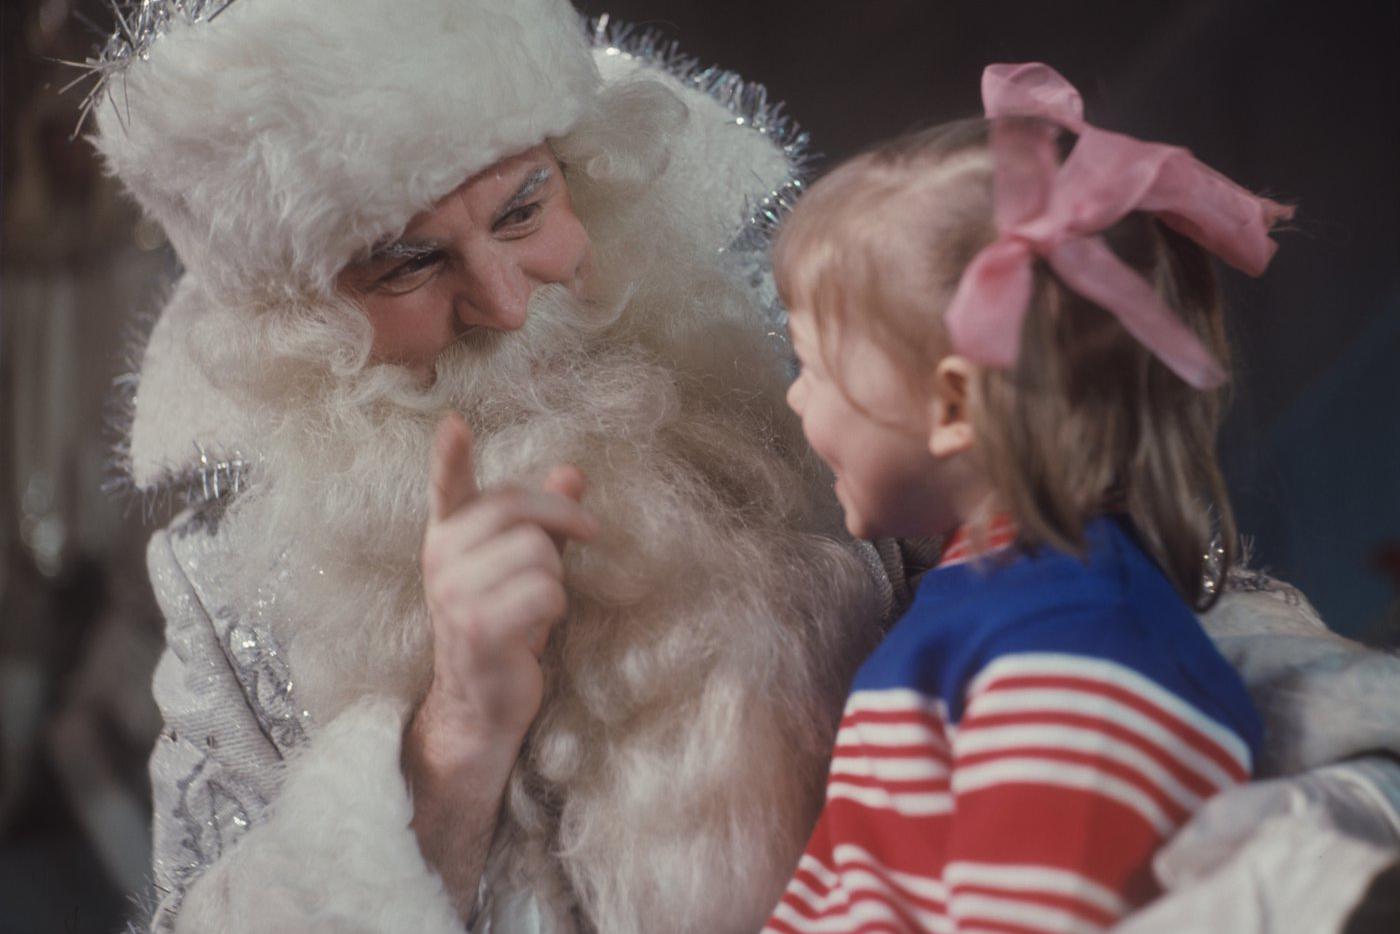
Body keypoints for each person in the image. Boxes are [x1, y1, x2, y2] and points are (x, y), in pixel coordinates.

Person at [85, 3, 1400, 933]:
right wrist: (453, 742)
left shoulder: (783, 367)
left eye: (527, 208)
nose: (505, 297)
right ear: (300, 317)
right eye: (409, 263)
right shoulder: (229, 584)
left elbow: (1148, 630)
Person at [759, 62, 1338, 933]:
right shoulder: (986, 604)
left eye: (812, 367)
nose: (795, 399)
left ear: (954, 405)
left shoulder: (1075, 652)